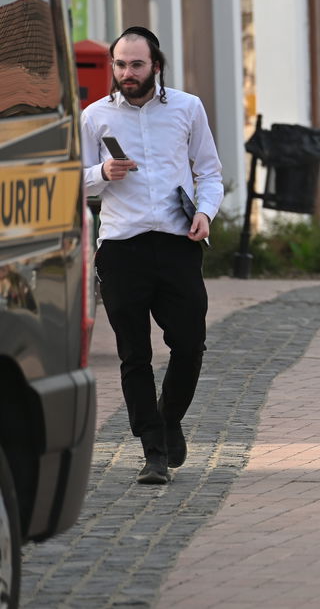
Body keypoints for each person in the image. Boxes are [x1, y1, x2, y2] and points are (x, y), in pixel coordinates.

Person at [81, 26, 222, 485]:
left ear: (155, 66)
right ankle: (153, 451)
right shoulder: (95, 116)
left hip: (178, 244)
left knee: (189, 345)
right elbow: (72, 180)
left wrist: (205, 212)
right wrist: (101, 171)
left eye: (136, 64)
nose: (127, 73)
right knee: (134, 355)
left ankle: (169, 416)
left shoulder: (187, 108)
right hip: (122, 248)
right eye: (120, 64)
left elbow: (210, 172)